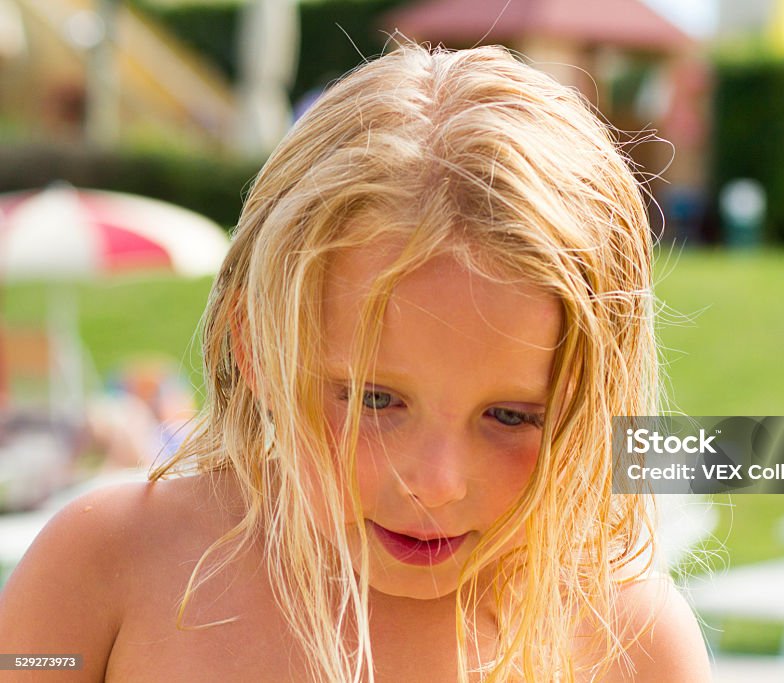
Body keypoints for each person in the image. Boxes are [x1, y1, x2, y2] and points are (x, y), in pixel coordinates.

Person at [0, 43, 710, 682]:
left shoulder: (627, 640)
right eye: (374, 399)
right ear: (258, 346)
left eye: (510, 415)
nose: (435, 483)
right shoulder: (105, 568)